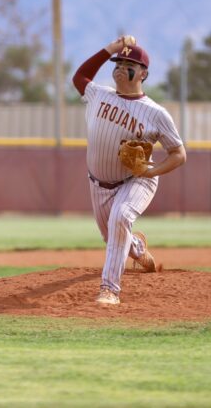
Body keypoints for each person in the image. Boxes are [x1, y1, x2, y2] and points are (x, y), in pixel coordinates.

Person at [72, 36, 187, 305]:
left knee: (121, 217)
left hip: (137, 180)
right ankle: (137, 248)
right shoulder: (98, 95)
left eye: (129, 63)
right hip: (98, 183)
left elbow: (179, 154)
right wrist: (110, 49)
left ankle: (109, 289)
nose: (122, 66)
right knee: (112, 234)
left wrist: (151, 171)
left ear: (143, 73)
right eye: (118, 62)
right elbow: (80, 76)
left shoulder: (156, 113)